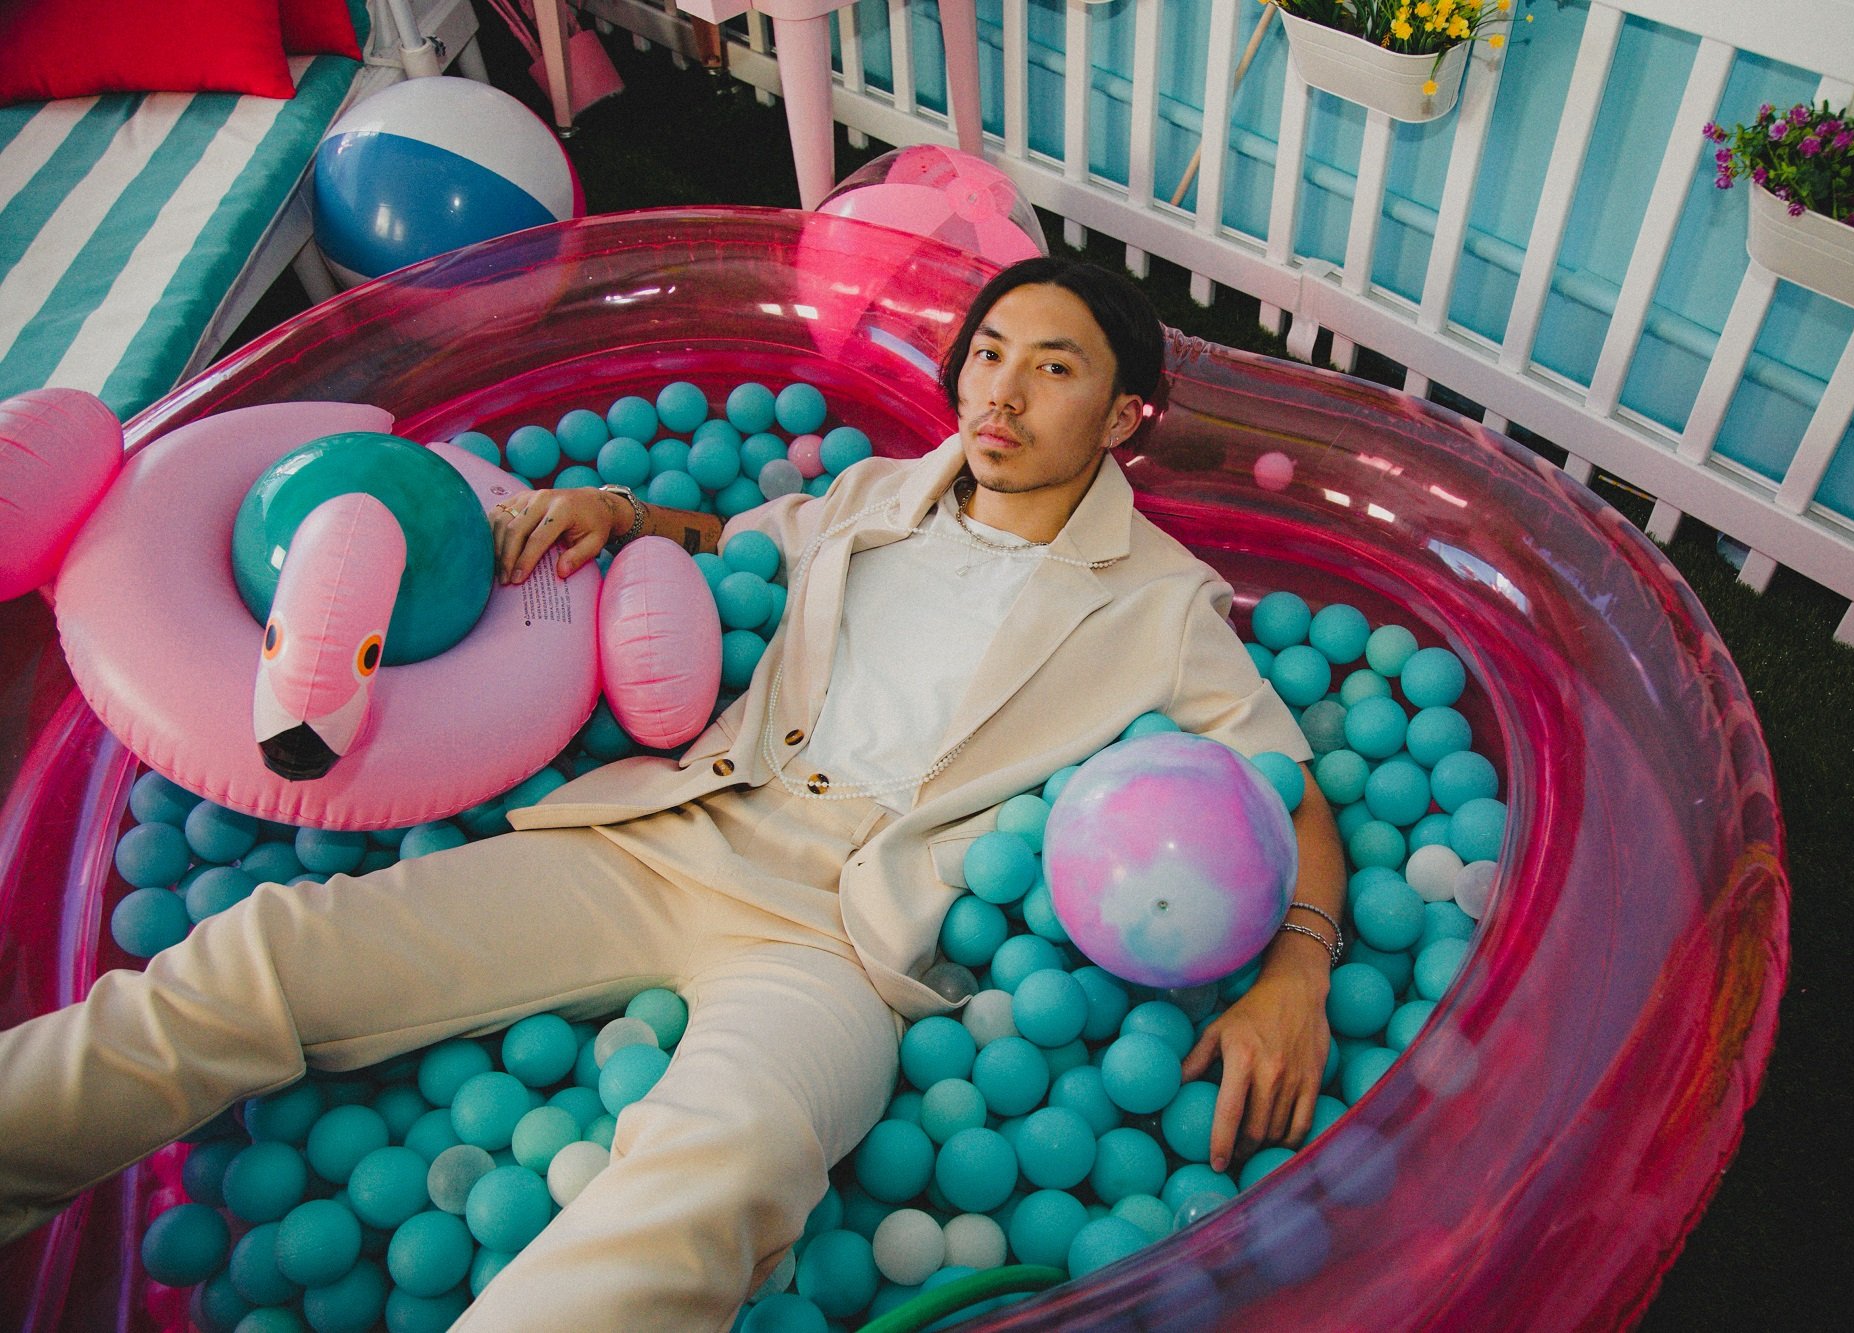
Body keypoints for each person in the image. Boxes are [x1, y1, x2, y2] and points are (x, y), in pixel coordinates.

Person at [0, 257, 1345, 1329]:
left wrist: (1296, 962)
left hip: (852, 938)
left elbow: (1284, 787)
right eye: (988, 354)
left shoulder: (1164, 600)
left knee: (718, 1170)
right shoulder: (880, 492)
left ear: (1120, 419)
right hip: (678, 829)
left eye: (1053, 371)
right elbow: (736, 540)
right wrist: (623, 511)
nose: (1001, 392)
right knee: (268, 955)